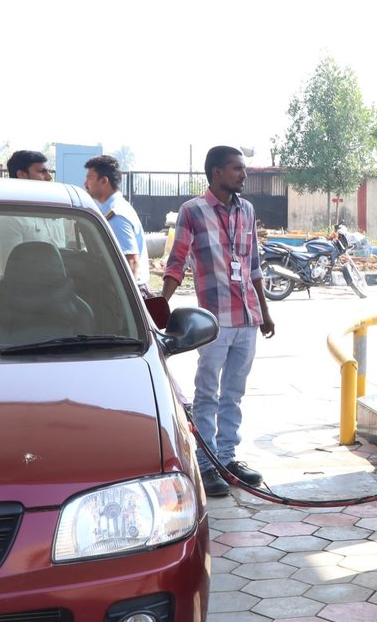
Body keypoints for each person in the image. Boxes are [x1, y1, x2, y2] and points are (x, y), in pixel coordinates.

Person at [162, 146, 275, 497]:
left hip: (247, 318)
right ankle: (207, 462)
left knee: (234, 393)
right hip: (214, 320)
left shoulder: (247, 210)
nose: (243, 174)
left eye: (243, 168)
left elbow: (253, 263)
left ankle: (227, 458)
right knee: (207, 392)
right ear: (216, 173)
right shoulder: (192, 211)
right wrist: (158, 308)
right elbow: (177, 261)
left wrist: (266, 311)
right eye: (237, 168)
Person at [0, 150, 65, 266]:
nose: (49, 177)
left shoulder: (57, 210)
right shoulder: (9, 219)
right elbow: (13, 272)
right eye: (42, 172)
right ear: (22, 175)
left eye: (49, 171)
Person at [84, 154, 149, 287]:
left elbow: (131, 262)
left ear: (104, 181)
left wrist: (125, 304)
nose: (85, 183)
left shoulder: (117, 215)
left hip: (127, 291)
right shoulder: (110, 210)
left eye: (89, 178)